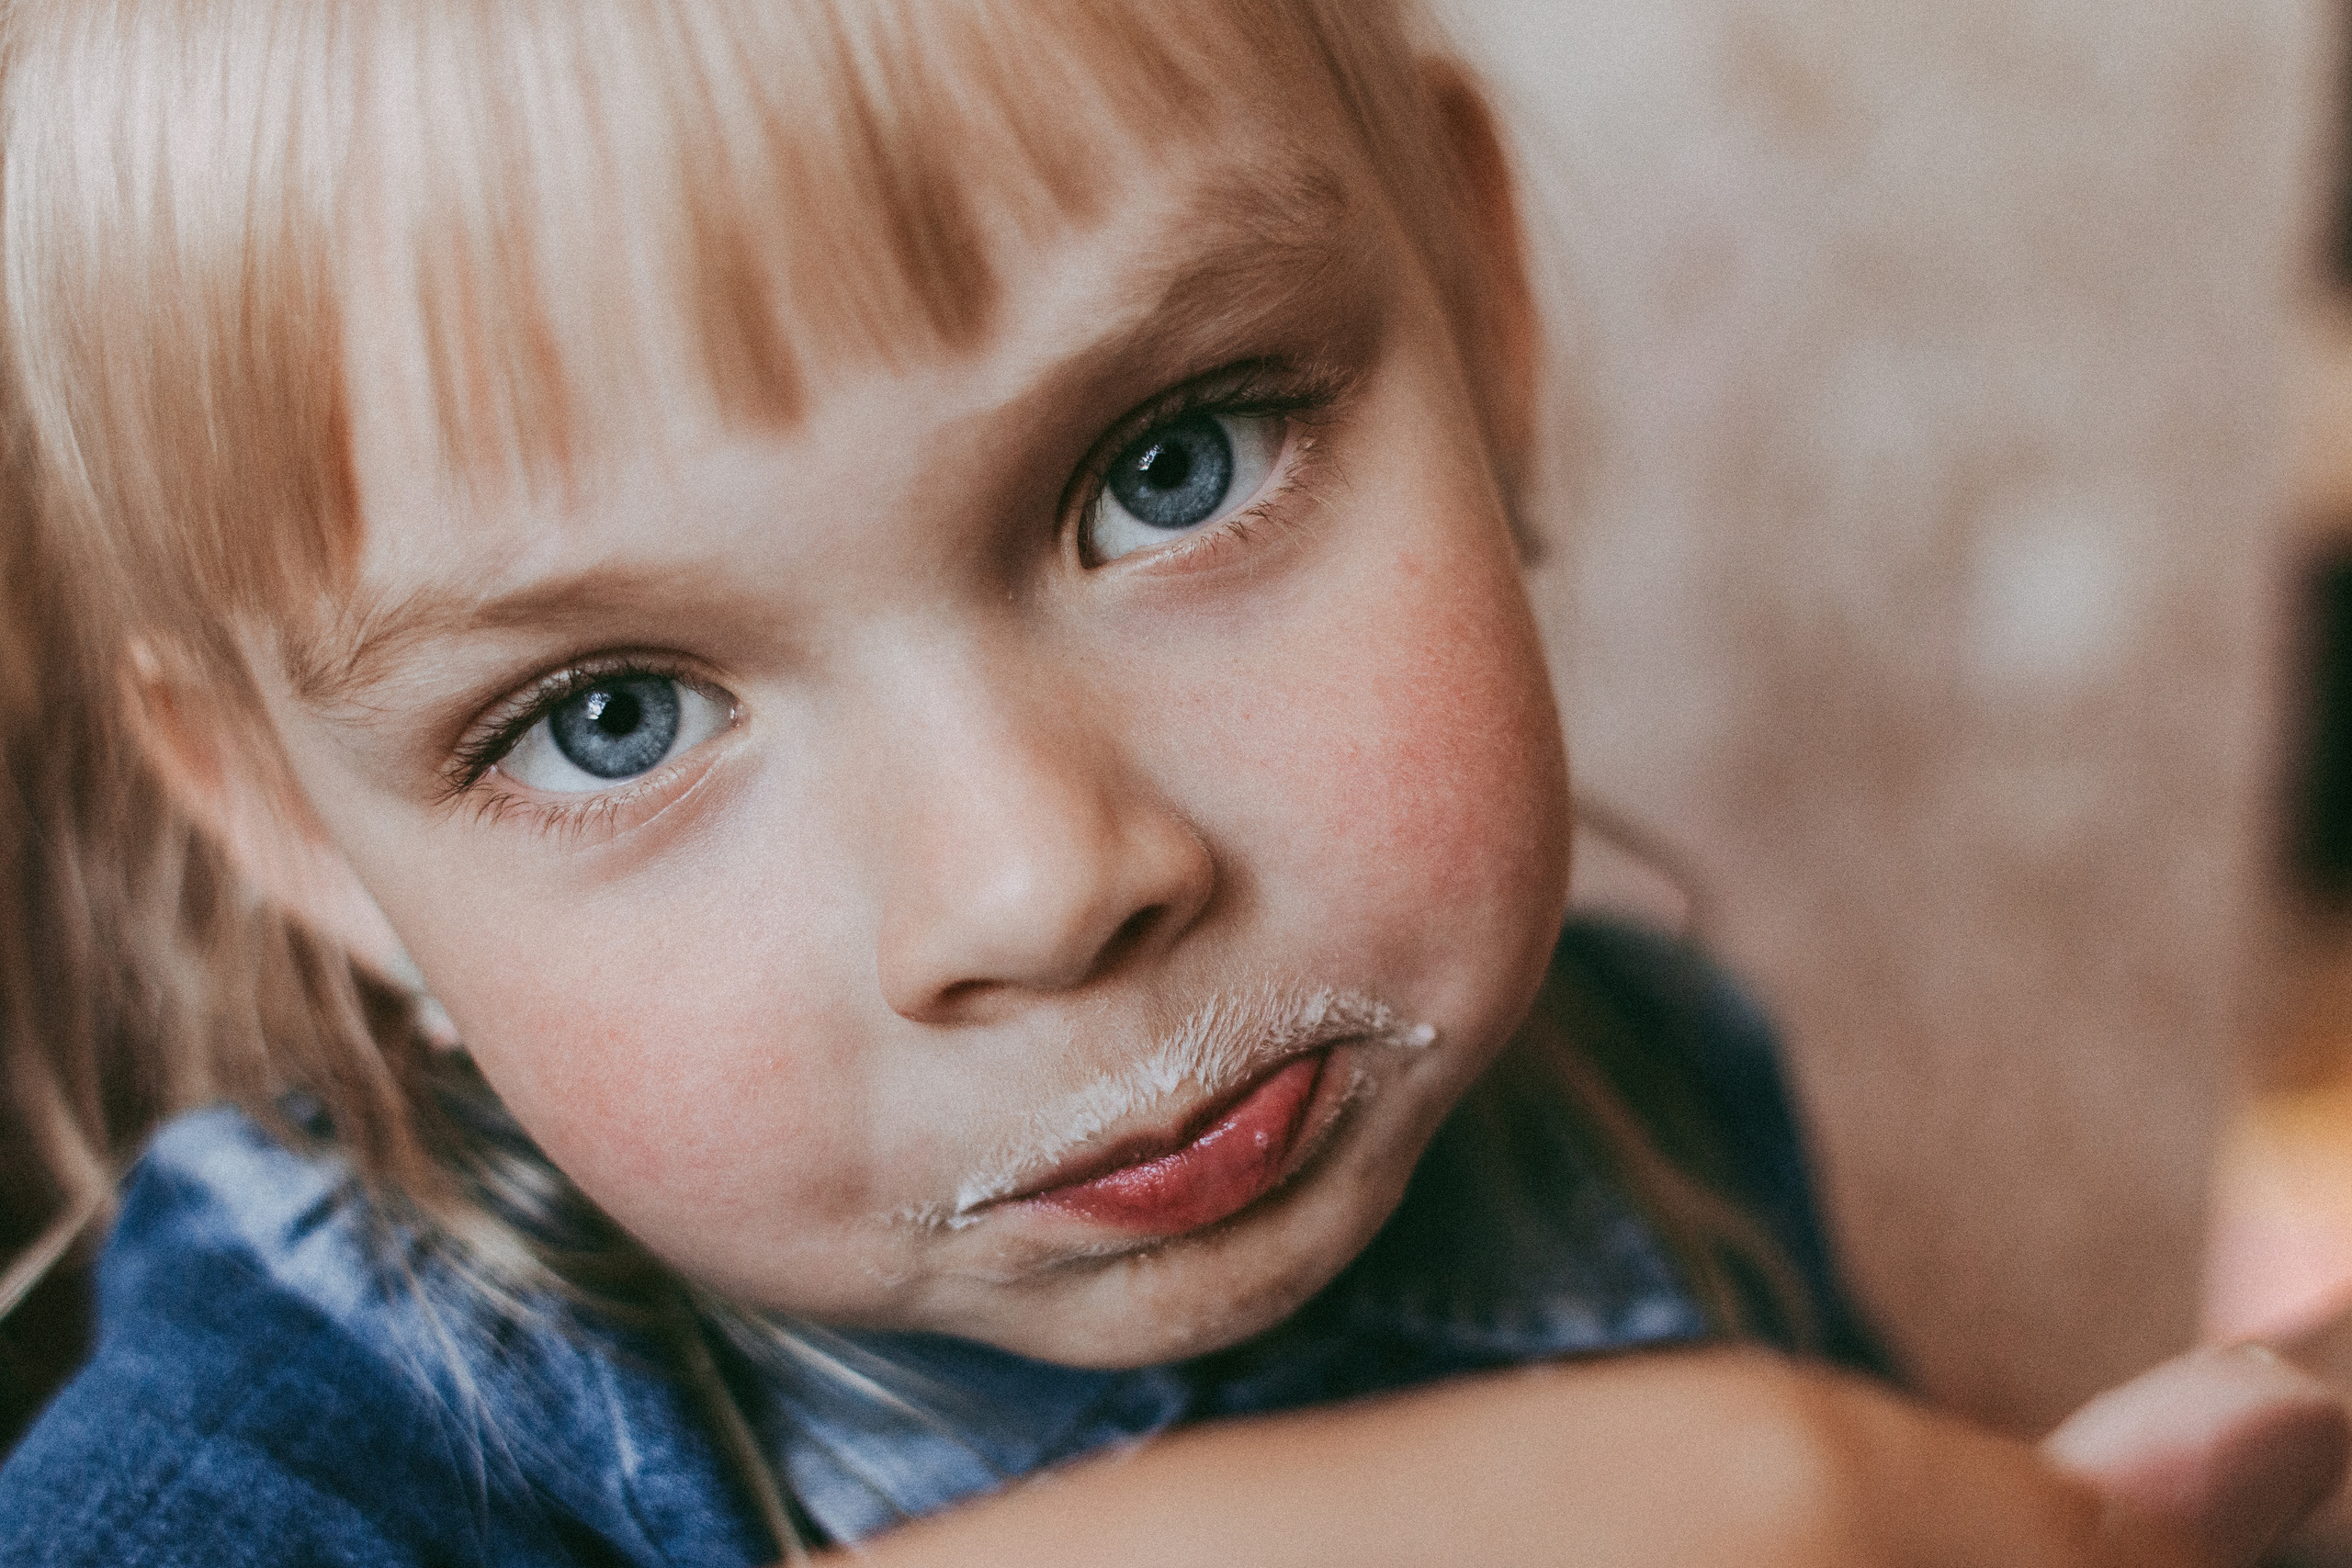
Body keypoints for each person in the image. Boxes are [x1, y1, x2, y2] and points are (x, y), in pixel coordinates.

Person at [0, 2, 2342, 1563]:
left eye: (1171, 463)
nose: (1036, 877)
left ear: (1482, 315)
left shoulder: (1661, 1091)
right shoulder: (310, 1431)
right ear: (299, 826)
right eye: (609, 712)